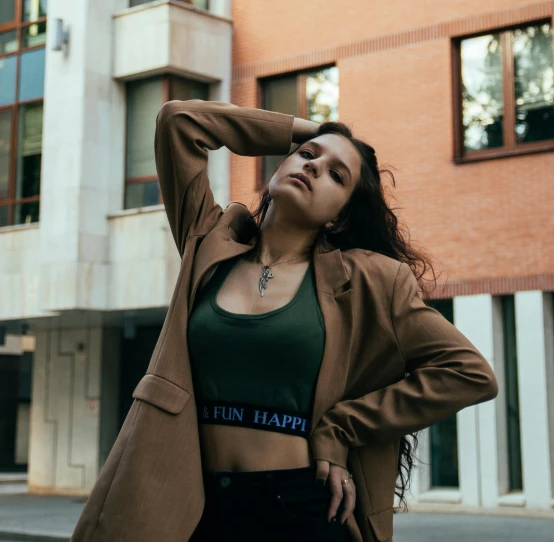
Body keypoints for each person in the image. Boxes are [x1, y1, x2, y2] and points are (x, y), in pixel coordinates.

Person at [70, 99, 498, 542]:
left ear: (340, 215)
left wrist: (342, 427)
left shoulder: (373, 280)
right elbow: (178, 122)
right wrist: (308, 130)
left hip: (300, 505)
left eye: (336, 175)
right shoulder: (208, 243)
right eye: (308, 155)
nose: (314, 168)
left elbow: (468, 373)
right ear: (278, 168)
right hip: (193, 507)